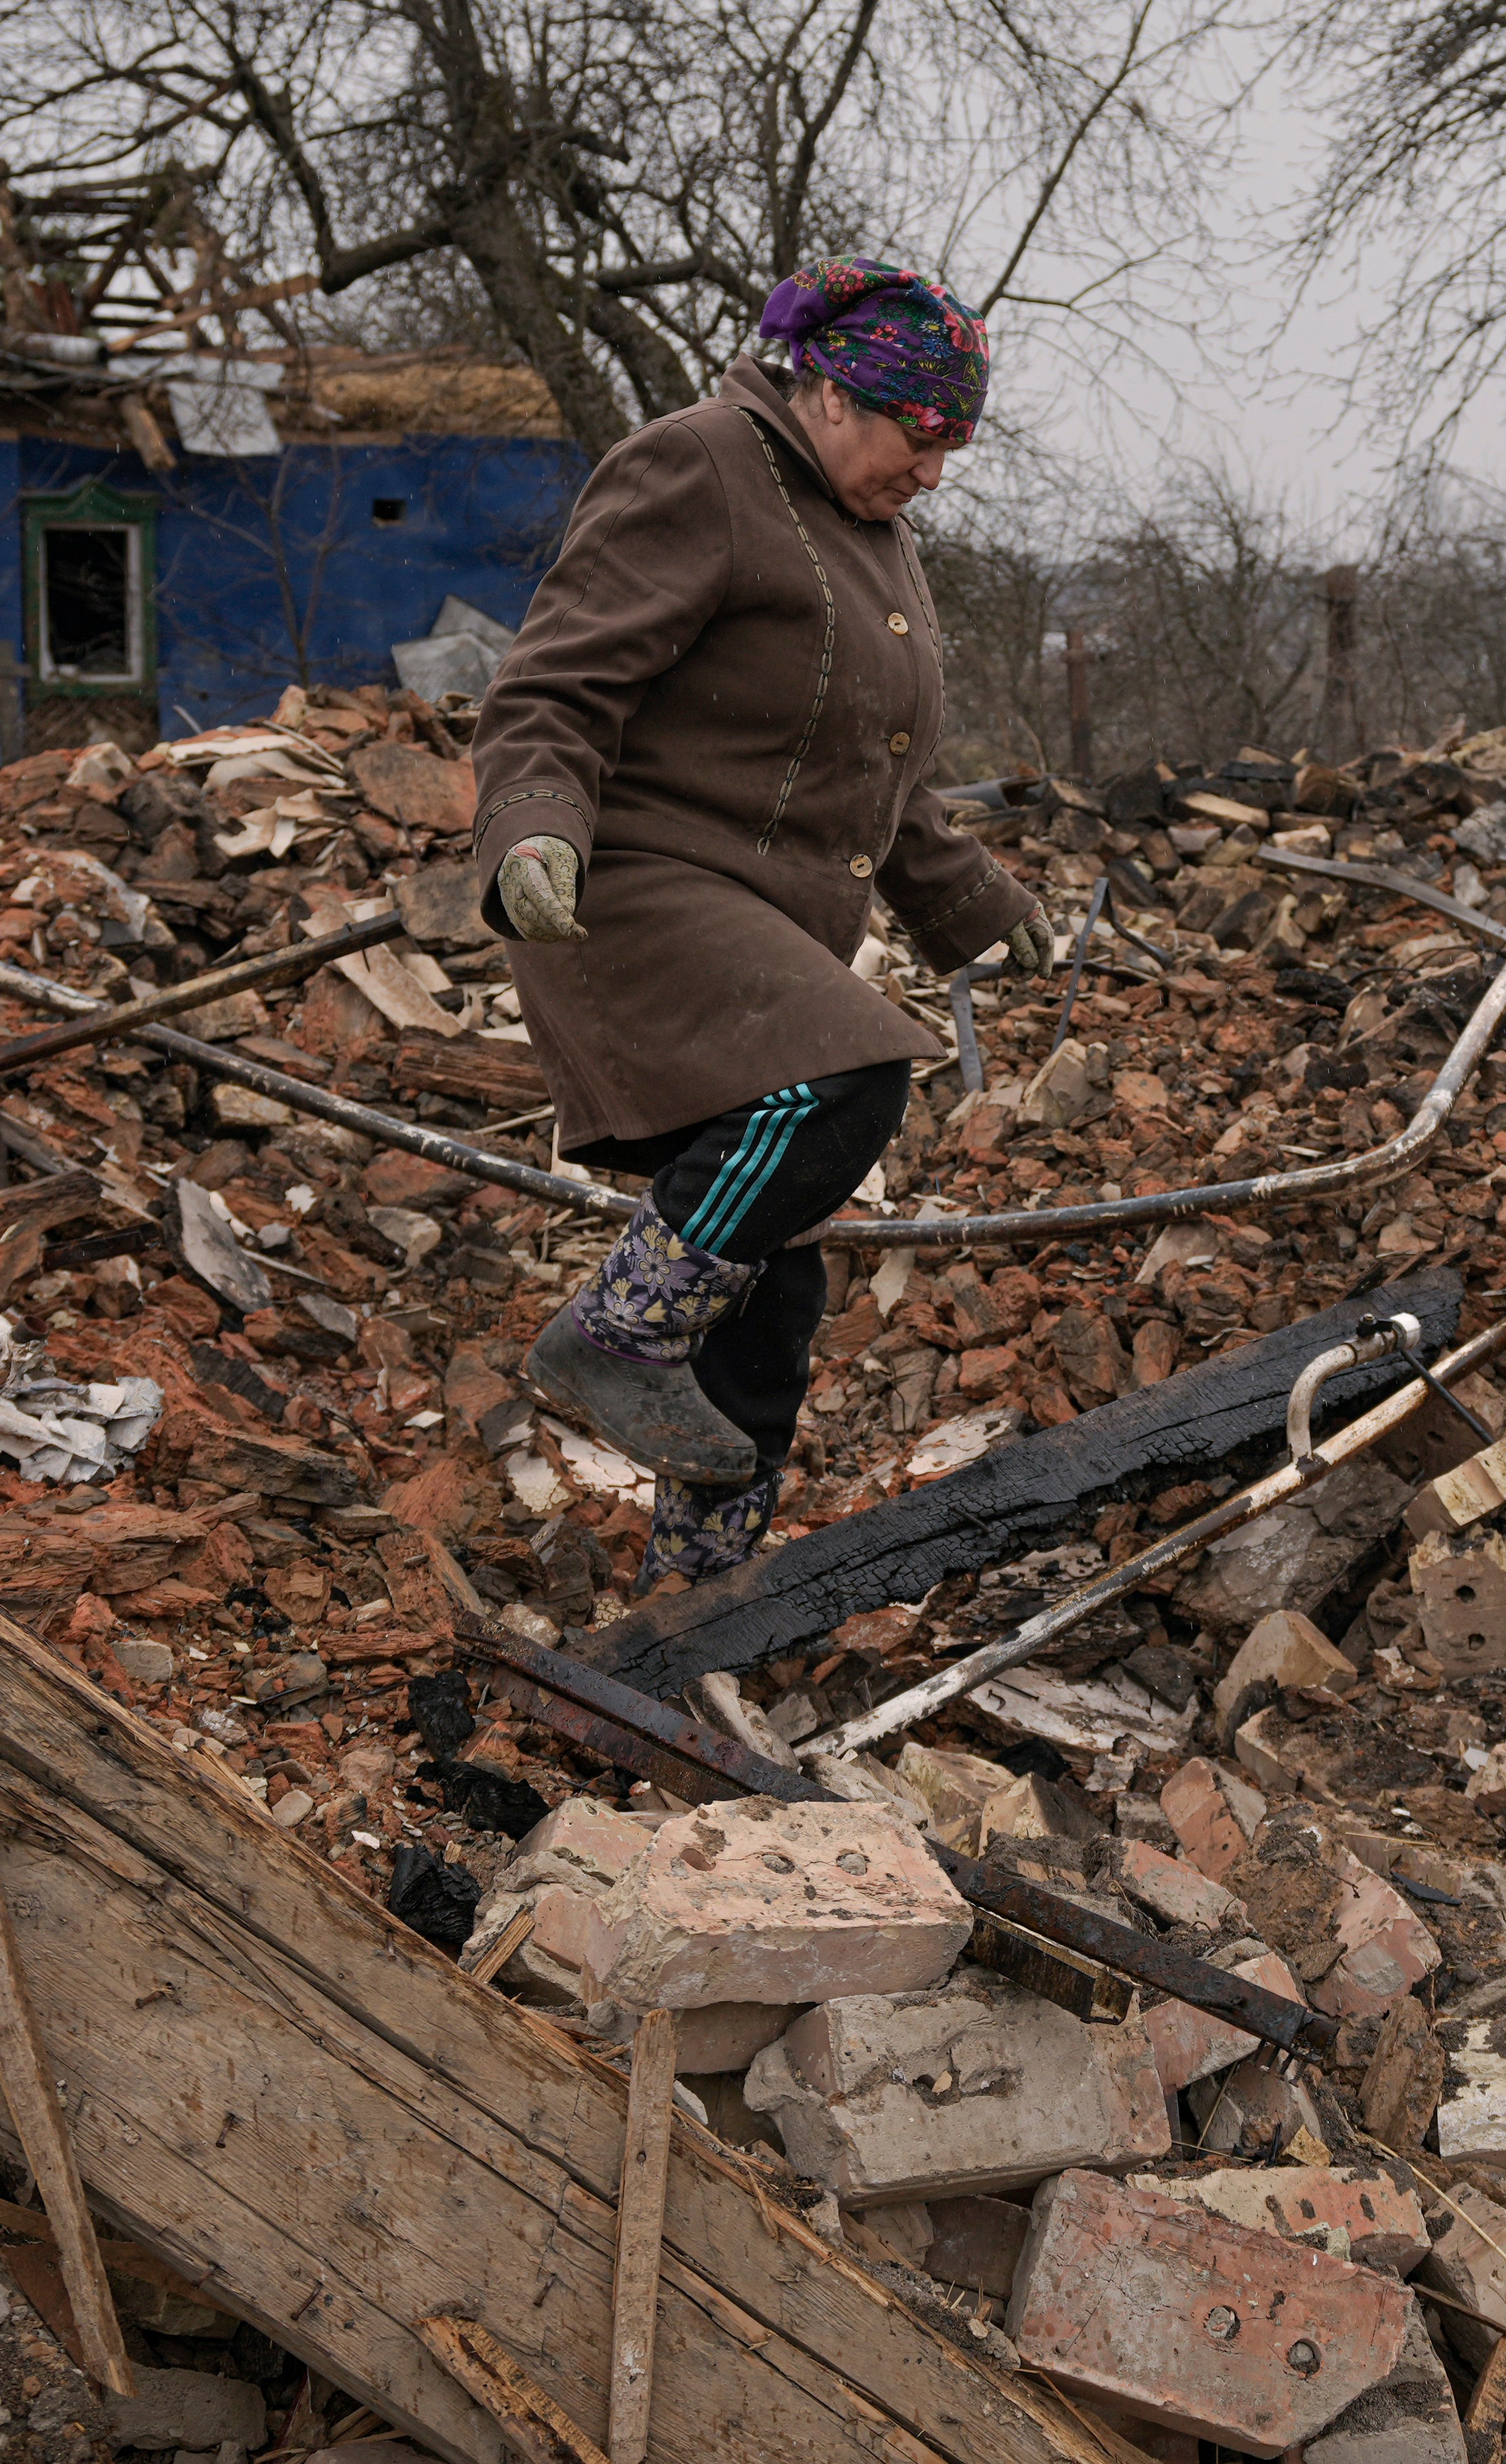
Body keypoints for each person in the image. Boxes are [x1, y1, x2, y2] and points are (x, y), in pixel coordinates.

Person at [466, 257, 1051, 1589]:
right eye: (923, 440)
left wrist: (979, 910)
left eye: (953, 449)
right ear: (835, 396)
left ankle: (701, 1599)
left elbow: (875, 765)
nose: (935, 476)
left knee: (770, 1299)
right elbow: (551, 686)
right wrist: (532, 828)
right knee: (843, 1076)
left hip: (763, 926)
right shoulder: (701, 466)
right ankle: (612, 1335)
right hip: (629, 894)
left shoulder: (872, 530)